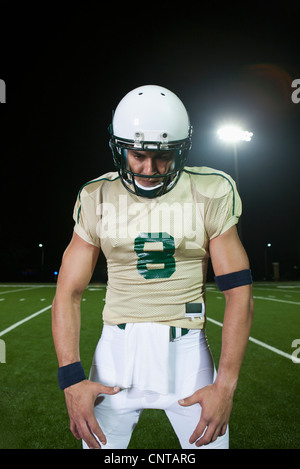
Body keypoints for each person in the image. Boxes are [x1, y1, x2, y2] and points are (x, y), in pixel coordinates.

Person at [52, 85, 254, 450]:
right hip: (115, 352)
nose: (150, 169)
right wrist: (71, 379)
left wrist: (224, 387)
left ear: (183, 149)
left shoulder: (211, 190)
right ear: (120, 148)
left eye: (164, 156)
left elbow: (239, 293)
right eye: (139, 154)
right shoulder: (96, 194)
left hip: (188, 352)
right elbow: (68, 292)